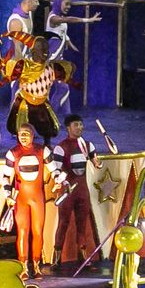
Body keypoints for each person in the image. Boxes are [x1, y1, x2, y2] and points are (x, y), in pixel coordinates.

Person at [50, 115, 100, 271]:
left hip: (82, 191)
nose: (79, 127)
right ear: (68, 128)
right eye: (76, 124)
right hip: (67, 192)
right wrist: (59, 178)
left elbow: (96, 162)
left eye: (81, 124)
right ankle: (56, 260)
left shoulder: (87, 145)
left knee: (82, 225)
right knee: (63, 223)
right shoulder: (61, 147)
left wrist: (98, 163)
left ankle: (84, 260)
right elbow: (55, 170)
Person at [2, 123, 50, 278]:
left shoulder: (42, 150)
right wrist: (8, 195)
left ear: (33, 135)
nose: (23, 137)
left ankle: (36, 265)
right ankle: (23, 267)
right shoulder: (13, 153)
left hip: (38, 199)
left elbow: (54, 169)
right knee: (22, 232)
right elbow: (6, 177)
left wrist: (60, 179)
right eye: (21, 134)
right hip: (20, 199)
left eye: (26, 134)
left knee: (38, 232)